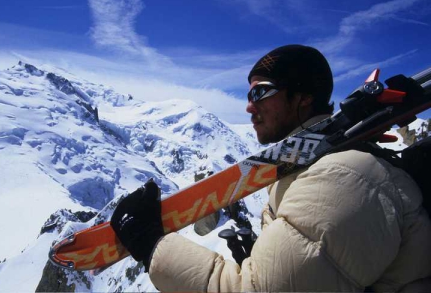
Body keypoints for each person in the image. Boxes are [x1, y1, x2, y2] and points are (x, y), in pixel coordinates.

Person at [111, 45, 431, 292]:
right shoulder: (312, 167)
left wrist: (152, 244)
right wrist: (262, 257)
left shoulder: (344, 176)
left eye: (260, 92)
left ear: (303, 97)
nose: (249, 106)